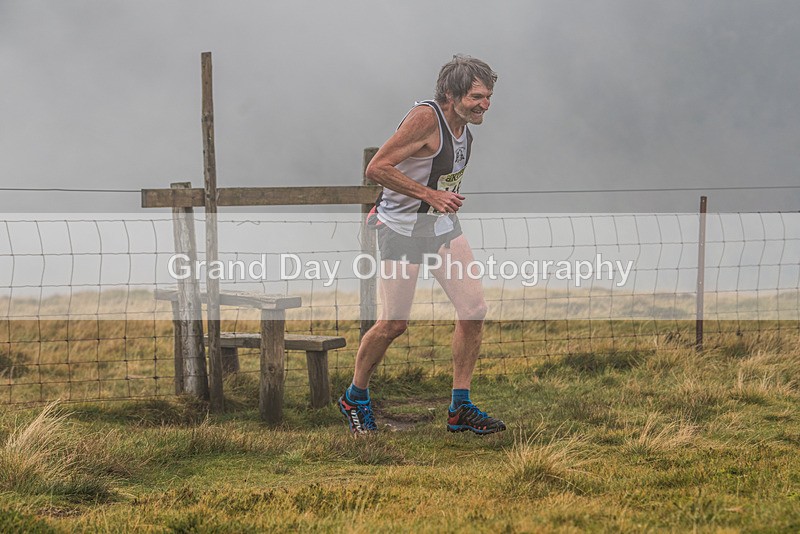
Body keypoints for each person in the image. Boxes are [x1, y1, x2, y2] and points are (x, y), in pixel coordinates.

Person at [338, 55, 506, 435]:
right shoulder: (426, 118)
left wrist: (437, 201)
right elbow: (377, 168)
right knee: (394, 323)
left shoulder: (464, 127)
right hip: (400, 229)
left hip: (441, 227)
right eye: (477, 96)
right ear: (451, 93)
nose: (485, 105)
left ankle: (459, 408)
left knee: (474, 309)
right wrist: (428, 194)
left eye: (489, 96)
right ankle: (355, 396)